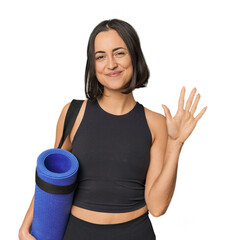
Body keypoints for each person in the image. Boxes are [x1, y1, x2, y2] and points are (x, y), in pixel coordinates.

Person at [19, 18, 207, 240]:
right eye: (100, 56)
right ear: (93, 64)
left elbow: (156, 207)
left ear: (134, 56)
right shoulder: (73, 112)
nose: (110, 64)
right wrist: (26, 227)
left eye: (119, 53)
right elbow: (53, 181)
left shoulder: (156, 123)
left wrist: (176, 144)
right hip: (78, 233)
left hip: (135, 233)